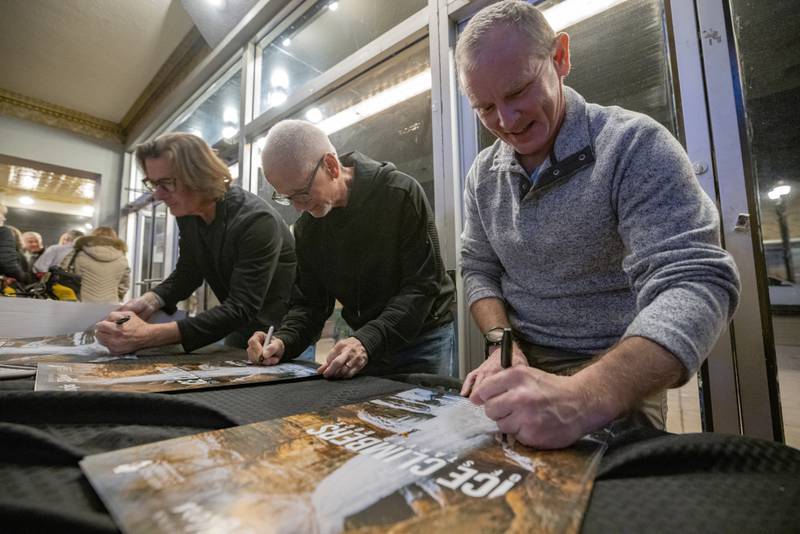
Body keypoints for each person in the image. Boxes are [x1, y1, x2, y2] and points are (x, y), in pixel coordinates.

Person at [456, 1, 740, 448]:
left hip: (616, 362)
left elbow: (695, 281)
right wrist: (501, 344)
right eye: (485, 107)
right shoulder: (482, 176)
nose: (506, 123)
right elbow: (478, 268)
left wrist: (586, 394)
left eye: (518, 92)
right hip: (520, 353)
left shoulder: (633, 146)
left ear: (561, 58)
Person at [247, 119, 455, 379]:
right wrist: (283, 340)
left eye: (301, 193)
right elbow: (310, 304)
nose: (298, 207)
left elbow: (422, 287)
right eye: (287, 198)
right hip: (363, 341)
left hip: (421, 339)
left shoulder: (399, 194)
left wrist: (366, 340)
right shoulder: (307, 229)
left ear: (331, 166)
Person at [94, 132, 296, 354]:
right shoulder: (188, 214)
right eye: (153, 184)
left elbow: (241, 307)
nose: (158, 195)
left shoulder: (256, 221)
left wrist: (147, 335)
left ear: (198, 176)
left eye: (166, 183)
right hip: (239, 328)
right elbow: (189, 272)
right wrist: (150, 301)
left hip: (283, 333)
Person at [61, 226, 129, 302]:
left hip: (80, 303)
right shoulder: (122, 258)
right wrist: (116, 298)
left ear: (92, 236)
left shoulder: (77, 253)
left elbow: (63, 272)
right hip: (110, 305)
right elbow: (124, 285)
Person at [0, 206, 30, 284]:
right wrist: (25, 278)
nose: (4, 218)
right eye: (2, 214)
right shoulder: (3, 232)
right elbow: (7, 263)